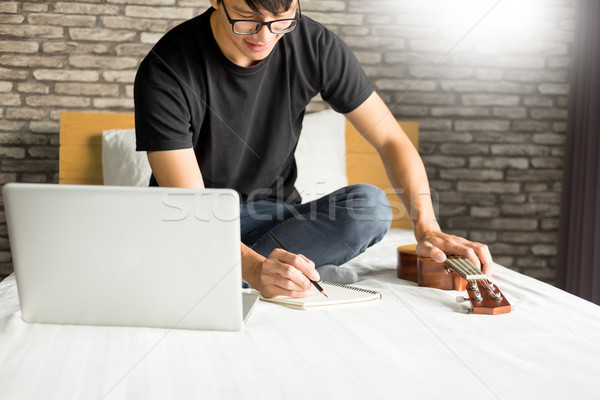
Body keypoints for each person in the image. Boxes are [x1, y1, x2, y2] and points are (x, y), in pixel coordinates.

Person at [134, 0, 493, 298]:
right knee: (190, 232)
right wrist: (256, 268)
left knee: (370, 206)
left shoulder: (314, 44)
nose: (265, 36)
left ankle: (223, 274)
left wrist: (427, 228)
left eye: (281, 20)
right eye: (248, 19)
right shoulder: (166, 69)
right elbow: (192, 204)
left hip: (278, 218)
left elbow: (391, 139)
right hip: (195, 222)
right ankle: (260, 270)